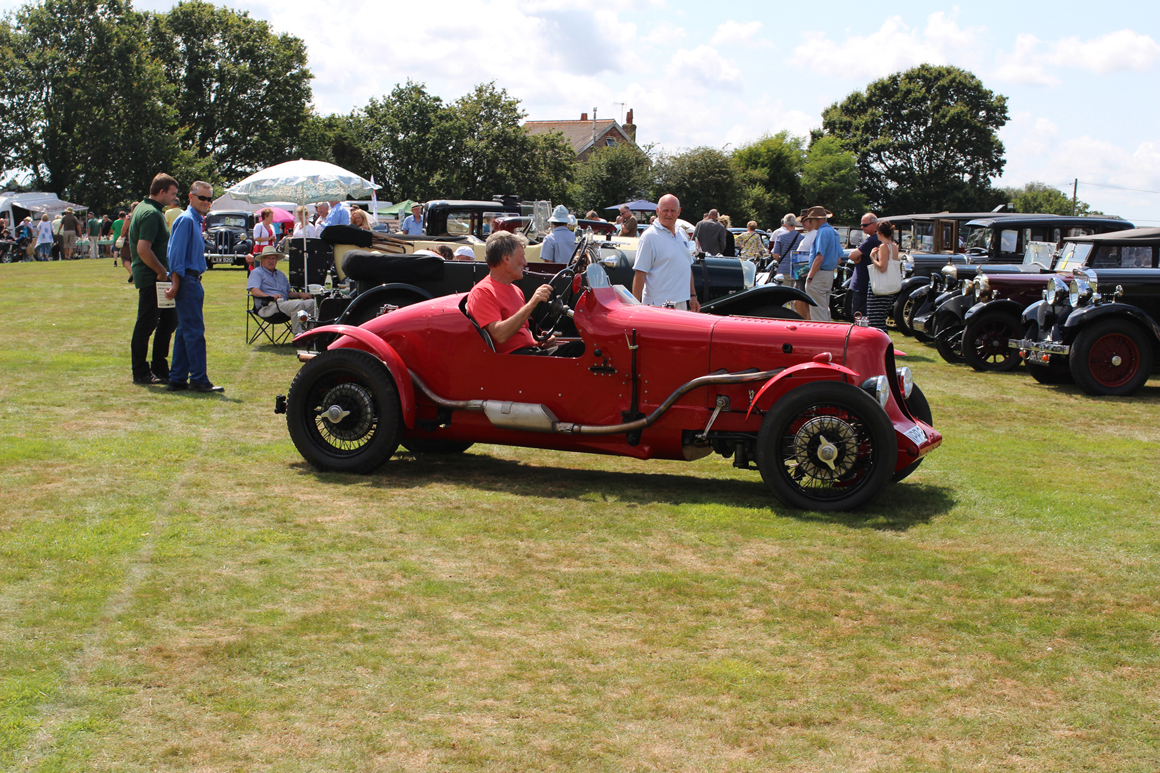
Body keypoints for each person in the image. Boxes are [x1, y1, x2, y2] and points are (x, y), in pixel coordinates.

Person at [466, 231, 580, 356]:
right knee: (580, 349)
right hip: (514, 362)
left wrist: (539, 342)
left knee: (584, 348)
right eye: (522, 257)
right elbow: (499, 335)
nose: (525, 263)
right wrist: (532, 303)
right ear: (507, 259)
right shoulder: (483, 292)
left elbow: (523, 330)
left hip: (529, 355)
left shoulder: (516, 290)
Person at [165, 180, 223, 393]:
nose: (206, 202)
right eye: (202, 198)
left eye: (209, 199)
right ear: (191, 197)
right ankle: (199, 379)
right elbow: (175, 256)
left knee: (184, 331)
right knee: (195, 331)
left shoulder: (195, 221)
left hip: (191, 280)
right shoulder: (187, 220)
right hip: (187, 281)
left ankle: (178, 378)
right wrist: (175, 284)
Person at [129, 173, 180, 385]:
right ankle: (141, 372)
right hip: (153, 278)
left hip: (156, 277)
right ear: (161, 192)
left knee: (169, 320)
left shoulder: (146, 208)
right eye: (172, 193)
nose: (173, 197)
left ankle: (160, 367)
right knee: (147, 324)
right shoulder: (150, 213)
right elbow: (143, 248)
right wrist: (160, 272)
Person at [632, 194, 701, 311]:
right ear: (658, 211)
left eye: (673, 210)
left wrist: (692, 296)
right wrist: (635, 306)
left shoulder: (682, 234)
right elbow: (640, 273)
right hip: (658, 305)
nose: (669, 214)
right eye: (665, 210)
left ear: (679, 212)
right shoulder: (649, 236)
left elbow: (686, 266)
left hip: (681, 303)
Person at [247, 245, 317, 338]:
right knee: (297, 304)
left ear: (276, 260)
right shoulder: (257, 272)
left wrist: (300, 294)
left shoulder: (280, 274)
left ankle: (310, 334)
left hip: (284, 305)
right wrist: (270, 296)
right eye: (268, 258)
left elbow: (287, 293)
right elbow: (255, 291)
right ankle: (299, 336)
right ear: (262, 260)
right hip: (268, 306)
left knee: (312, 303)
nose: (271, 261)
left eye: (273, 258)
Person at [801, 205, 842, 322]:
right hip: (829, 274)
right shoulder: (834, 232)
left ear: (818, 220)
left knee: (817, 311)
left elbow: (819, 257)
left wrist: (810, 276)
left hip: (819, 274)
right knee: (824, 308)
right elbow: (838, 259)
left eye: (811, 220)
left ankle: (821, 338)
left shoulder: (822, 232)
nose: (810, 223)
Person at [845, 213, 880, 321]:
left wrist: (856, 258)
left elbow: (852, 255)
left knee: (858, 315)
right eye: (861, 225)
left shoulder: (872, 240)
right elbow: (855, 257)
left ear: (874, 225)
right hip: (866, 282)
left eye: (865, 225)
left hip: (862, 283)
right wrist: (856, 259)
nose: (862, 227)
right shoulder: (874, 239)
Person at [866, 221, 899, 331]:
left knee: (874, 320)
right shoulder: (894, 246)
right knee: (881, 318)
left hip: (880, 287)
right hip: (889, 286)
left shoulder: (884, 246)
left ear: (879, 232)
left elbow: (882, 267)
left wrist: (872, 257)